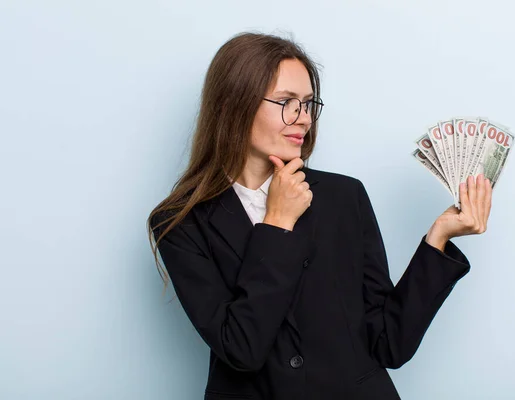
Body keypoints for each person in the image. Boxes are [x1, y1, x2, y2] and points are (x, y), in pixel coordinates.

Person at [147, 32, 492, 400]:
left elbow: (389, 343)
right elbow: (242, 349)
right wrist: (277, 224)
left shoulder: (345, 197)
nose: (303, 119)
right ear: (234, 104)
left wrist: (438, 239)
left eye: (309, 104)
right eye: (286, 102)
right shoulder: (179, 222)